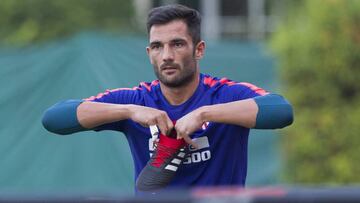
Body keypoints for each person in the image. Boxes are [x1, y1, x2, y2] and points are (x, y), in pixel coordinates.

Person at [42, 4, 293, 191]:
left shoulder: (225, 94)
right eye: (158, 46)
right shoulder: (137, 100)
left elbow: (282, 111)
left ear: (199, 49)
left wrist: (204, 113)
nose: (166, 56)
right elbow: (54, 119)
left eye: (177, 44)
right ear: (149, 53)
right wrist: (129, 112)